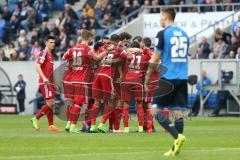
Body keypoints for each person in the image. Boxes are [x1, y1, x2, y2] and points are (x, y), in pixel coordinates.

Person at [144, 8, 189, 156]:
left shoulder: (163, 33)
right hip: (182, 78)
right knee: (177, 112)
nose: (160, 19)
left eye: (160, 17)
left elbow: (156, 57)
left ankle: (177, 136)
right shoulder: (184, 34)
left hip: (168, 77)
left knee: (154, 110)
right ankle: (176, 148)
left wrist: (148, 75)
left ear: (164, 17)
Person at [31, 35, 59, 132]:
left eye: (54, 43)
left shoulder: (51, 56)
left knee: (50, 104)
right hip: (45, 82)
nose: (53, 44)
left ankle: (51, 125)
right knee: (51, 103)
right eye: (51, 42)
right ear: (46, 43)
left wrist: (55, 84)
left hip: (50, 83)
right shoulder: (44, 53)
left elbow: (51, 73)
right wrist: (43, 78)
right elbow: (37, 66)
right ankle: (36, 118)